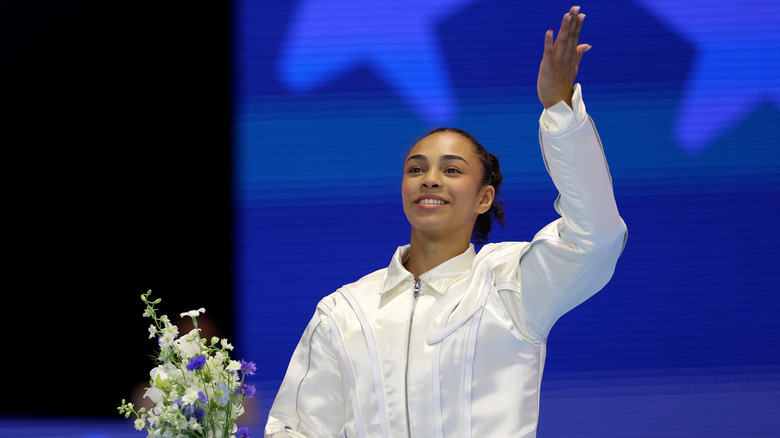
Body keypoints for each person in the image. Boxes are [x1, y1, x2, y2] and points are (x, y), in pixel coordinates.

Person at [265, 6, 627, 438]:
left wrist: (560, 111)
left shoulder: (510, 285)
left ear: (483, 197)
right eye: (416, 169)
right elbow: (296, 429)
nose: (430, 179)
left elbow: (597, 237)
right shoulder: (345, 311)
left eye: (452, 170)